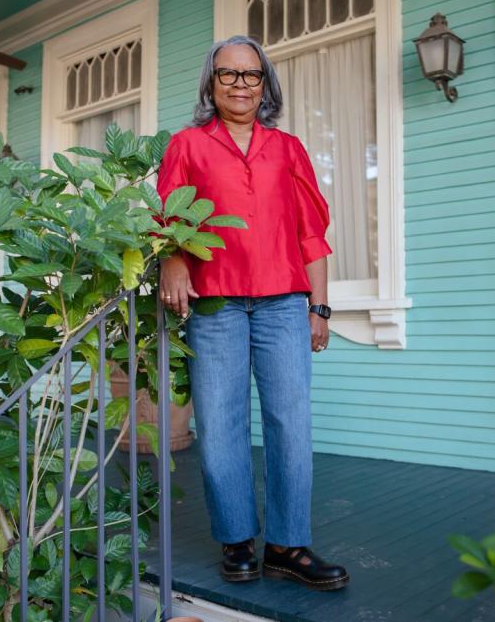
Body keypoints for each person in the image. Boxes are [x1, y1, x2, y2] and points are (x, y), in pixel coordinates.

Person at [156, 35, 349, 591]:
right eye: (228, 74)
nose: (240, 85)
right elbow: (170, 217)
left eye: (251, 75)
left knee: (290, 421)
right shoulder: (187, 145)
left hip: (284, 303)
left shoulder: (288, 148)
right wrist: (173, 262)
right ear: (210, 83)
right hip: (215, 303)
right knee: (220, 425)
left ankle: (287, 545)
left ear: (265, 84)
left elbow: (310, 234)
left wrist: (321, 307)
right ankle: (237, 539)